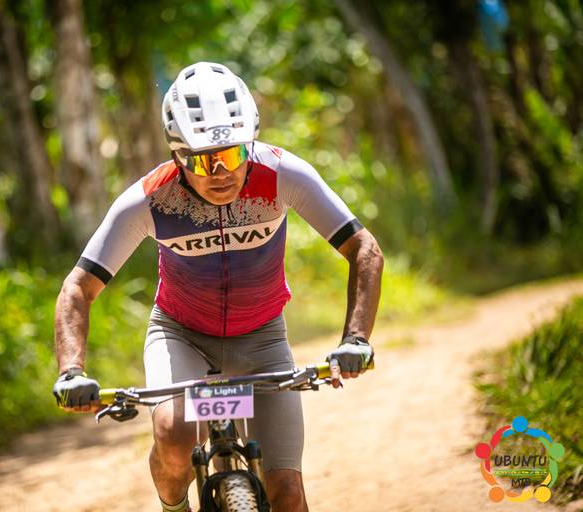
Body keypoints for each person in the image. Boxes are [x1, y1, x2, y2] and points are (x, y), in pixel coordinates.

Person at [53, 62, 383, 512]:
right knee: (174, 437)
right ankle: (174, 507)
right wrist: (71, 371)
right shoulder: (150, 198)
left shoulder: (282, 173)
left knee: (287, 492)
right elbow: (79, 286)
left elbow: (364, 249)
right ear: (177, 156)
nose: (220, 172)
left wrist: (356, 339)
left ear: (251, 142)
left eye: (231, 155)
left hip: (262, 340)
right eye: (202, 160)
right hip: (180, 337)